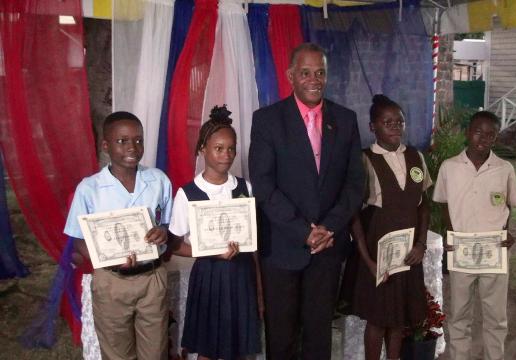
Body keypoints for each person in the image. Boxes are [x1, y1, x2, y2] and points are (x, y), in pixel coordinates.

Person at [249, 42, 365, 359]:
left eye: (320, 73)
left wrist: (328, 227)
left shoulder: (346, 119)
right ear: (291, 76)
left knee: (318, 336)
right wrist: (303, 230)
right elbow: (263, 185)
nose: (314, 79)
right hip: (282, 247)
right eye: (305, 73)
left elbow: (356, 183)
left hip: (327, 248)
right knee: (281, 335)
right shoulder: (267, 121)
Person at [64, 111, 173, 360]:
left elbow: (167, 222)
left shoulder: (158, 180)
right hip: (111, 281)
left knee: (155, 352)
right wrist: (106, 258)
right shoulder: (89, 189)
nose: (132, 147)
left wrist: (163, 231)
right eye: (121, 141)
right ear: (105, 145)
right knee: (117, 354)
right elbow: (78, 238)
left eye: (138, 140)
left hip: (152, 278)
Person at [168, 105, 262, 360]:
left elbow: (253, 246)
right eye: (218, 148)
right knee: (208, 350)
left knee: (239, 350)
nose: (226, 155)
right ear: (202, 150)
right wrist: (211, 252)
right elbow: (173, 245)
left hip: (242, 278)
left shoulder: (245, 188)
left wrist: (260, 293)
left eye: (231, 148)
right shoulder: (187, 193)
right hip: (209, 278)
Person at [432, 111, 516, 360]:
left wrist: (507, 231)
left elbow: (509, 205)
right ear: (467, 133)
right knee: (460, 313)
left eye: (490, 134)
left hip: (494, 252)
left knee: (495, 315)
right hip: (462, 250)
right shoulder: (450, 167)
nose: (483, 138)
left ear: (496, 138)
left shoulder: (504, 169)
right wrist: (450, 232)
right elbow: (442, 202)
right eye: (477, 131)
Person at [347, 95, 433, 360]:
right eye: (387, 122)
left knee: (399, 319)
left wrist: (421, 243)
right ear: (373, 127)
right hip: (378, 253)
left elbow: (424, 205)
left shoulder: (415, 156)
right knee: (378, 319)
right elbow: (353, 215)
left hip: (408, 252)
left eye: (400, 121)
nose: (395, 127)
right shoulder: (364, 160)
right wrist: (368, 260)